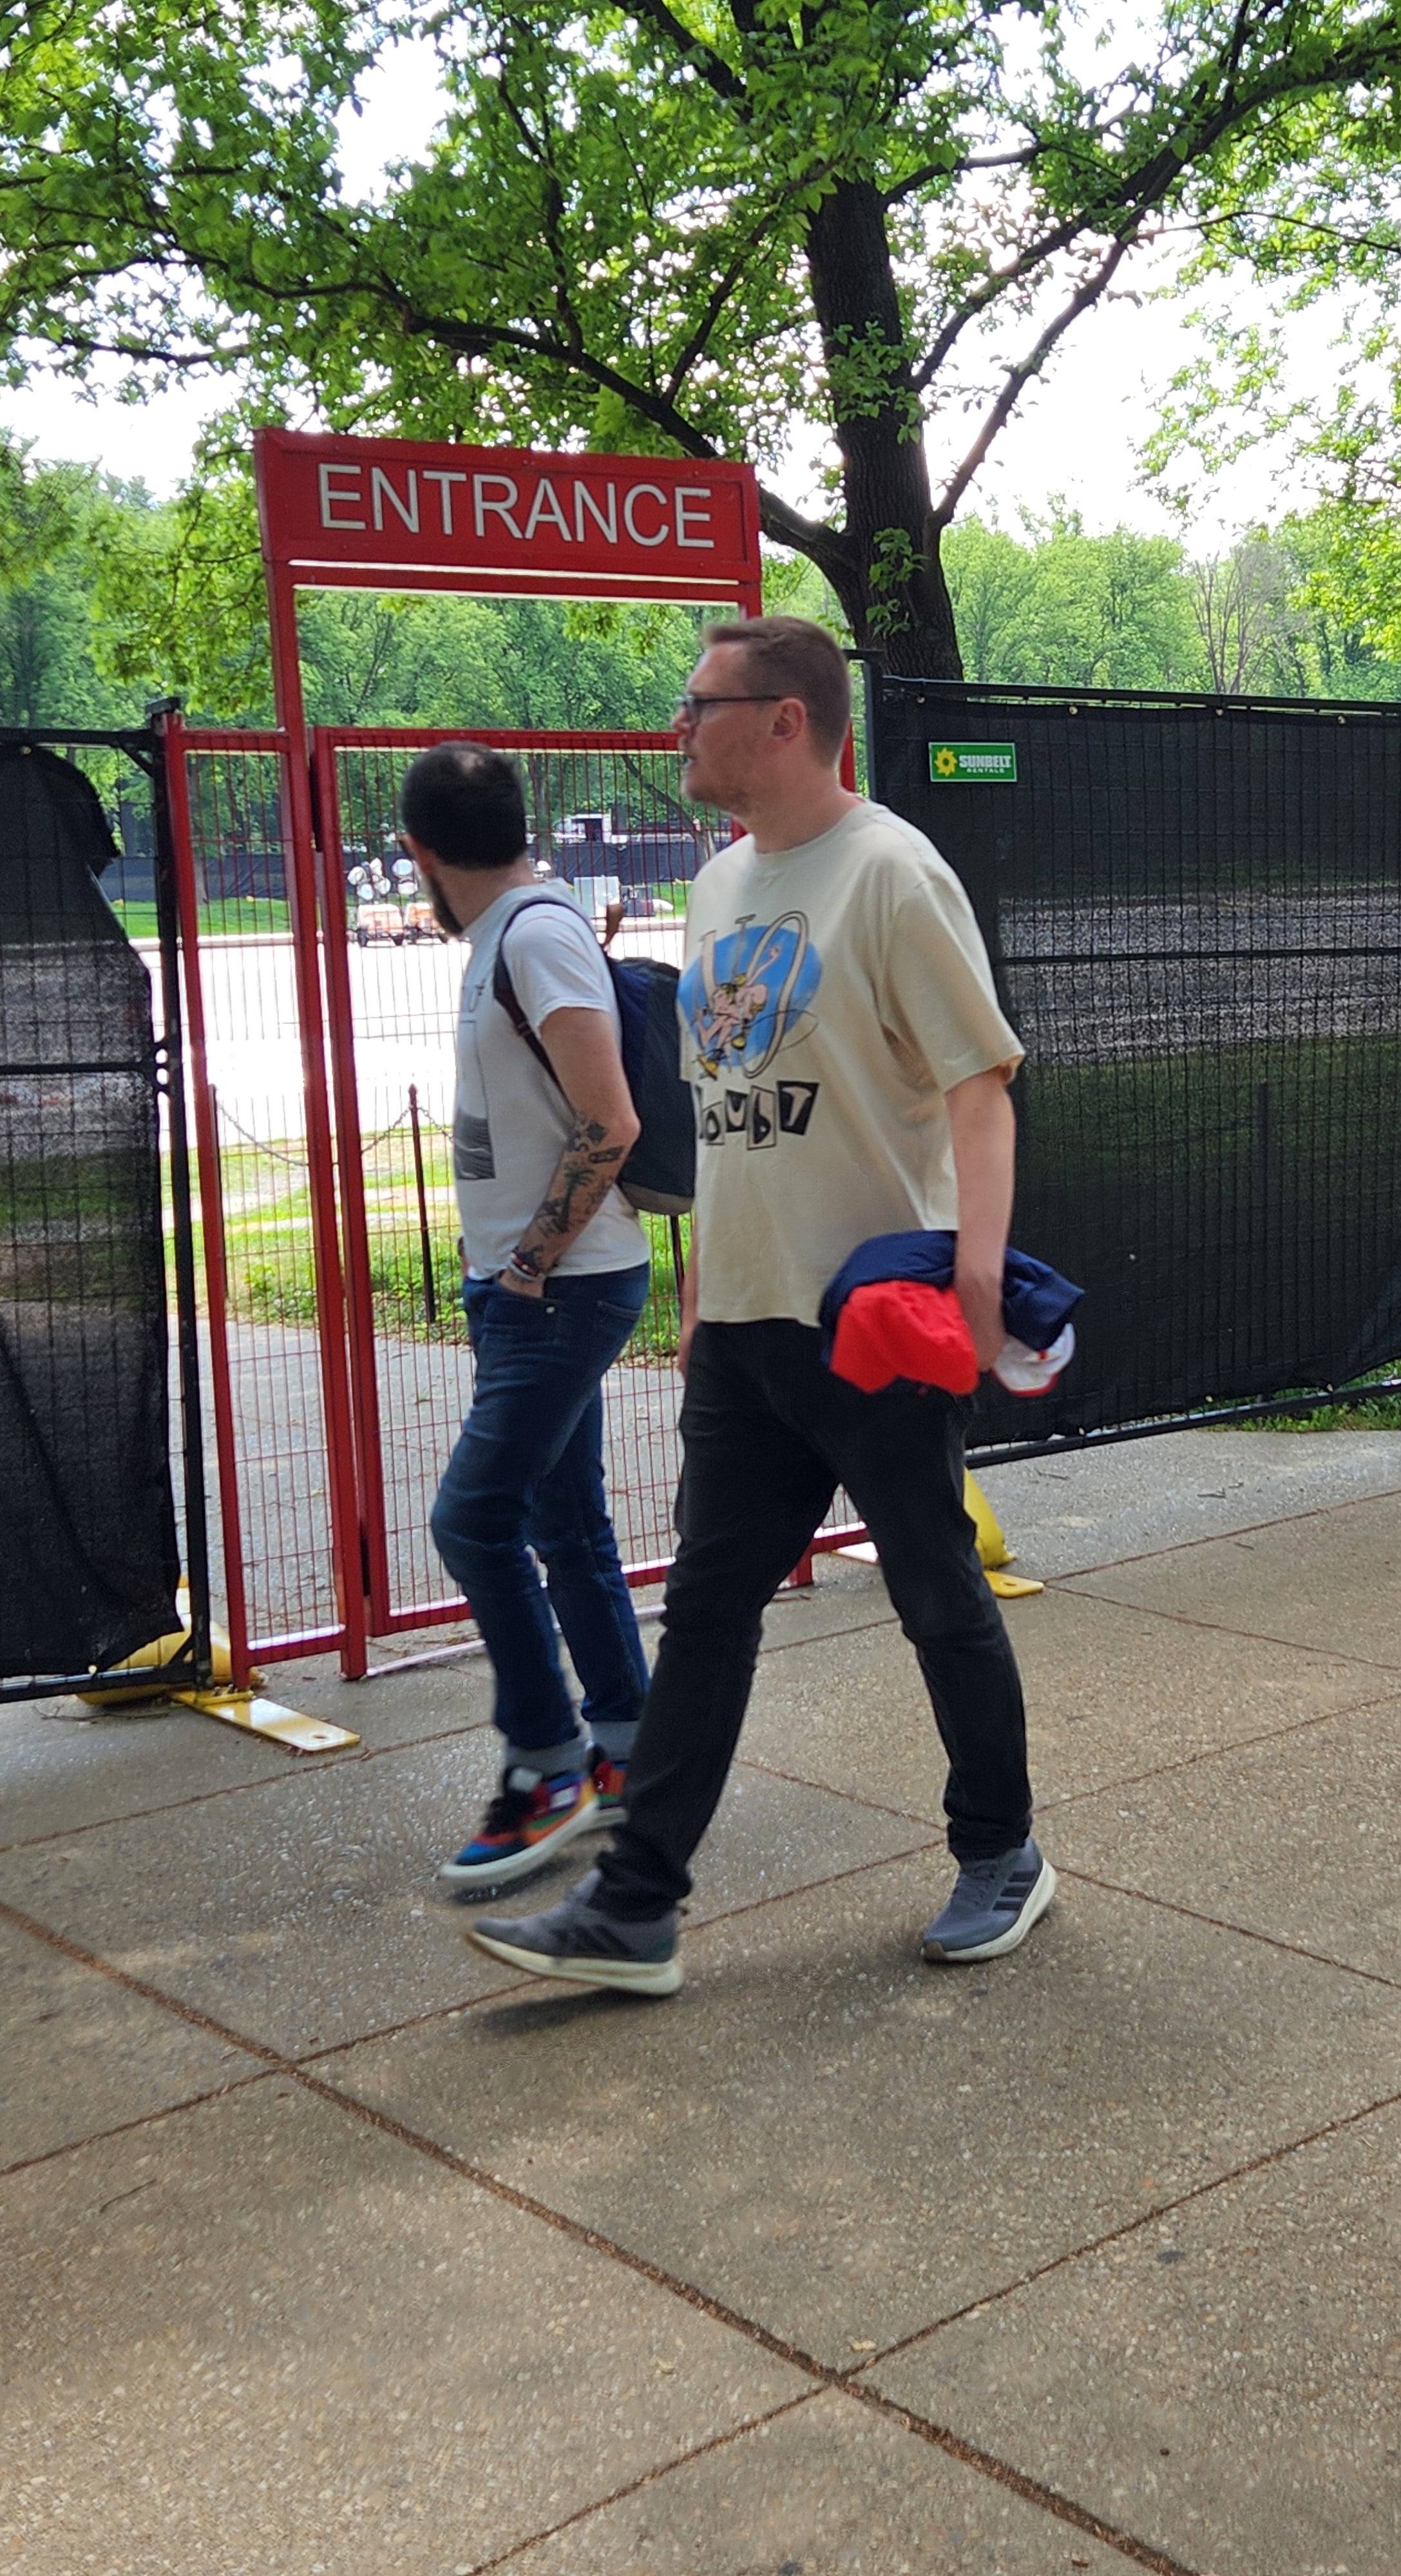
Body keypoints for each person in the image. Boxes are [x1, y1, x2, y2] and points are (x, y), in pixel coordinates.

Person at [466, 615, 1053, 1994]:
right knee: (711, 1610)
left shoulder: (895, 874)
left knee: (934, 1589)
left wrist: (975, 1272)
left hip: (869, 1321)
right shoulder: (719, 889)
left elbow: (982, 1084)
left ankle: (1004, 1851)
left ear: (785, 718)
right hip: (742, 1325)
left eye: (699, 704)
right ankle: (635, 1905)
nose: (678, 728)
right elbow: (731, 1121)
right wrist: (703, 1295)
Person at [400, 742, 654, 1889]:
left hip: (561, 1289)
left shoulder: (538, 936)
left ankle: (546, 1762)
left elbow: (612, 1122)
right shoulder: (510, 936)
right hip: (536, 1284)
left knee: (473, 1521)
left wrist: (527, 1267)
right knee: (565, 1524)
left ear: (419, 853)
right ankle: (630, 1753)